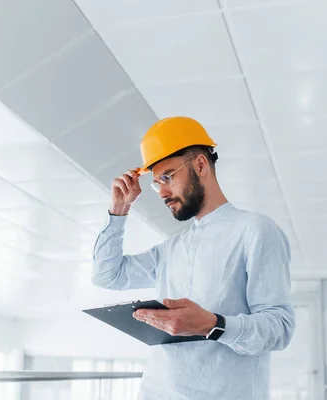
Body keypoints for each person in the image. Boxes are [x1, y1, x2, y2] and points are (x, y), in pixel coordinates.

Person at [91, 116, 295, 400]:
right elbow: (106, 275)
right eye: (156, 183)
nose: (161, 191)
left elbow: (279, 328)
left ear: (200, 165)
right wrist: (118, 211)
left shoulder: (256, 230)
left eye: (168, 176)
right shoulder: (171, 248)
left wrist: (212, 324)